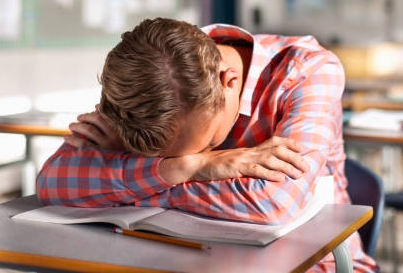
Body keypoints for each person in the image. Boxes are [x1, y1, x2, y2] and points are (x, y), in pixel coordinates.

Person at [36, 18, 377, 273]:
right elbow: (53, 181)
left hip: (318, 263)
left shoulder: (309, 70)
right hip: (188, 259)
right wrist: (184, 168)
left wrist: (141, 178)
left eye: (204, 145)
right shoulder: (150, 76)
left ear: (228, 81)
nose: (194, 157)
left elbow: (273, 204)